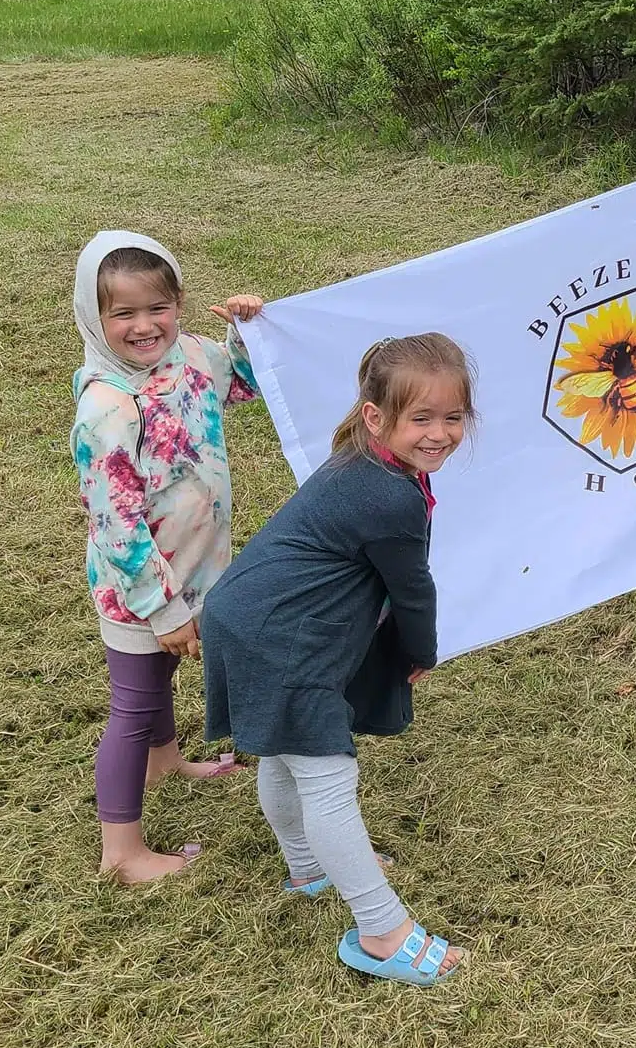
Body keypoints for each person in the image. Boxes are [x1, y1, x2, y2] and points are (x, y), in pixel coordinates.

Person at [201, 334, 474, 987]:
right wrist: (420, 653)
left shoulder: (367, 460)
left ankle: (308, 866)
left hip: (243, 616)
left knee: (283, 752)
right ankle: (383, 932)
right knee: (326, 777)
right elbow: (414, 590)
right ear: (377, 417)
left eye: (454, 417)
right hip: (278, 640)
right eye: (422, 418)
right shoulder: (392, 494)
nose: (439, 434)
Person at [70, 230, 264, 884]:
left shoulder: (189, 357)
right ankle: (121, 852)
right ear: (94, 320)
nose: (144, 325)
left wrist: (245, 335)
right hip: (141, 589)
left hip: (197, 569)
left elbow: (243, 387)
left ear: (179, 302)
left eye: (158, 306)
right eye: (123, 313)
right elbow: (117, 527)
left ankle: (166, 762)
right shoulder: (107, 410)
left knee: (158, 684)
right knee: (132, 704)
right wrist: (163, 609)